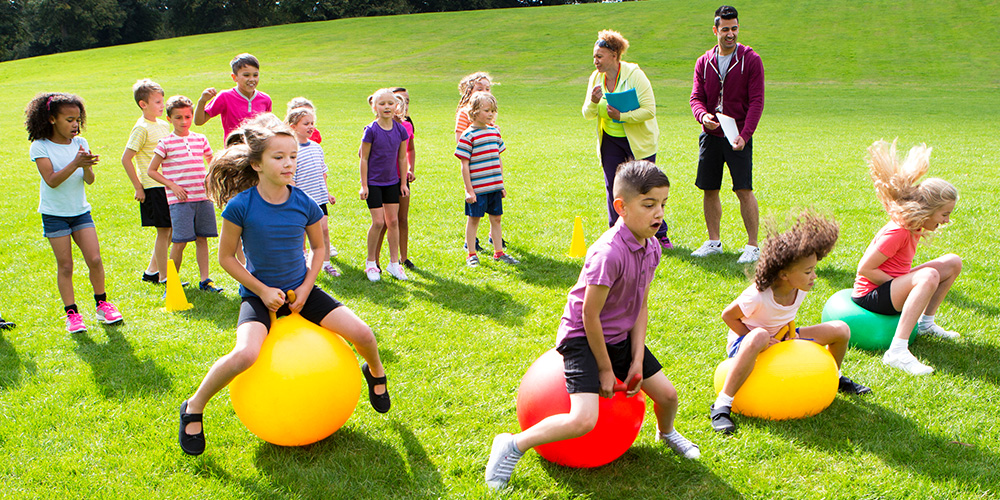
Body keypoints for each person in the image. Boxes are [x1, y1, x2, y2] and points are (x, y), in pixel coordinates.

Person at [178, 115, 391, 456]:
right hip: (258, 297)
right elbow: (227, 259)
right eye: (279, 157)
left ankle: (376, 374)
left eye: (292, 156)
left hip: (300, 290)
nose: (289, 163)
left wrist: (307, 288)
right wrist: (261, 290)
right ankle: (194, 405)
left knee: (364, 334)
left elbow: (319, 248)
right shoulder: (240, 207)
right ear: (256, 164)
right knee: (246, 354)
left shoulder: (303, 202)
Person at [484, 161, 698, 491]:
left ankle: (666, 433)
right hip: (583, 338)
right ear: (621, 208)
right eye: (649, 204)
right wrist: (604, 369)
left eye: (663, 204)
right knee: (584, 419)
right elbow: (589, 316)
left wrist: (637, 358)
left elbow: (640, 305)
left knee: (668, 396)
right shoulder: (608, 253)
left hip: (619, 336)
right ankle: (513, 444)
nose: (659, 213)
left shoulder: (651, 247)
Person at [710, 212, 872, 435]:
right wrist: (759, 340)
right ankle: (722, 404)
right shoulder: (757, 296)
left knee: (840, 330)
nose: (814, 276)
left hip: (781, 337)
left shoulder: (799, 288)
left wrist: (790, 333)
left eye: (814, 269)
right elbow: (728, 316)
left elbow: (787, 313)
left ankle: (834, 376)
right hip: (746, 345)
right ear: (784, 274)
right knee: (759, 335)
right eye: (808, 271)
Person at [852, 140, 962, 376]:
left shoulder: (915, 226)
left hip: (891, 286)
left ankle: (926, 324)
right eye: (944, 214)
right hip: (869, 295)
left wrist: (904, 283)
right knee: (928, 276)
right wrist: (904, 286)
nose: (946, 221)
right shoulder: (899, 230)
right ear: (928, 210)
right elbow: (865, 269)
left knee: (953, 262)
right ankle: (897, 351)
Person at [25, 92, 124, 333]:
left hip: (80, 211)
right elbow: (51, 180)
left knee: (95, 259)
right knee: (66, 266)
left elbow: (89, 180)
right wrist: (76, 164)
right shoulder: (40, 146)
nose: (75, 124)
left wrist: (87, 166)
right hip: (54, 214)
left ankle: (102, 305)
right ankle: (72, 314)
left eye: (78, 119)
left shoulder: (81, 143)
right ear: (51, 120)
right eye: (69, 119)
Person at [689, 5, 765, 264]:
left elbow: (757, 102)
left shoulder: (751, 59)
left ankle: (753, 246)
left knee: (743, 189)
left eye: (734, 29)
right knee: (709, 189)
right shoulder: (703, 61)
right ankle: (713, 241)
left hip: (738, 137)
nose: (730, 34)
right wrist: (703, 117)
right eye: (725, 30)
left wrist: (745, 135)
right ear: (715, 30)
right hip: (710, 136)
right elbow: (696, 98)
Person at [583, 29, 670, 249]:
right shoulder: (595, 78)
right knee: (615, 187)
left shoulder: (634, 75)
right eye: (594, 56)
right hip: (610, 141)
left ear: (614, 55)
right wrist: (594, 102)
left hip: (638, 142)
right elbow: (587, 112)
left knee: (645, 188)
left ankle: (659, 234)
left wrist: (623, 116)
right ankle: (618, 234)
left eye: (599, 56)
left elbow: (649, 110)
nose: (595, 61)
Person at [146, 96, 222, 293]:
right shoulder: (165, 143)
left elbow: (211, 162)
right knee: (179, 241)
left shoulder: (200, 139)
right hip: (180, 200)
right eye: (178, 117)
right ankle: (172, 282)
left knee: (202, 238)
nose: (184, 121)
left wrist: (210, 178)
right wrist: (172, 186)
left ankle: (205, 280)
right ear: (170, 119)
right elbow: (151, 170)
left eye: (187, 116)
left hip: (203, 197)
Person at [121, 78, 174, 285]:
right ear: (143, 104)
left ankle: (152, 271)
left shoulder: (162, 124)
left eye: (163, 101)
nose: (163, 106)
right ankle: (163, 276)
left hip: (168, 184)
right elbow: (126, 158)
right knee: (164, 231)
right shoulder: (141, 128)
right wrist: (138, 187)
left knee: (169, 231)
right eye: (158, 102)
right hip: (154, 187)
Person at [456, 92, 518, 267]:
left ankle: (499, 252)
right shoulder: (468, 135)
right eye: (486, 110)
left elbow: (498, 160)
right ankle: (471, 254)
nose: (491, 114)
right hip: (477, 188)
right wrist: (469, 190)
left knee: (496, 219)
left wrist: (501, 185)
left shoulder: (494, 132)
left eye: (493, 111)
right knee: (474, 219)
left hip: (494, 187)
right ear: (474, 111)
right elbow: (464, 165)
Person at [359, 88, 410, 282]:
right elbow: (363, 158)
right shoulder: (371, 130)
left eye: (390, 103)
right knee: (378, 222)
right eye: (382, 104)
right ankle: (371, 263)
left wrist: (403, 183)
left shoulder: (400, 130)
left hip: (392, 182)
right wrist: (364, 185)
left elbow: (402, 158)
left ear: (396, 106)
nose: (387, 107)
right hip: (373, 183)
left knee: (394, 221)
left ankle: (394, 264)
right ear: (374, 107)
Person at [285, 106, 339, 277]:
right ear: (293, 126)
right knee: (301, 232)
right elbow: (290, 177)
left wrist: (327, 192)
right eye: (305, 123)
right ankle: (303, 262)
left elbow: (322, 172)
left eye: (312, 123)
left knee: (324, 230)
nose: (310, 127)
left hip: (319, 198)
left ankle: (326, 263)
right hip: (301, 199)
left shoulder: (316, 147)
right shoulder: (292, 150)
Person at [376, 89, 417, 269]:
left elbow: (410, 149)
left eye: (407, 101)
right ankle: (374, 259)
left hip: (402, 178)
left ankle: (403, 257)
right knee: (385, 221)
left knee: (402, 219)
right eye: (400, 101)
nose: (404, 105)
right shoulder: (378, 126)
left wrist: (411, 169)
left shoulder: (407, 126)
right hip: (385, 179)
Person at [195, 53, 272, 142]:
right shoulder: (225, 97)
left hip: (257, 151)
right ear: (234, 77)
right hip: (234, 151)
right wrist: (202, 101)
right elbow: (199, 121)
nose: (252, 79)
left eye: (255, 75)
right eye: (246, 75)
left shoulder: (265, 99)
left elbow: (268, 127)